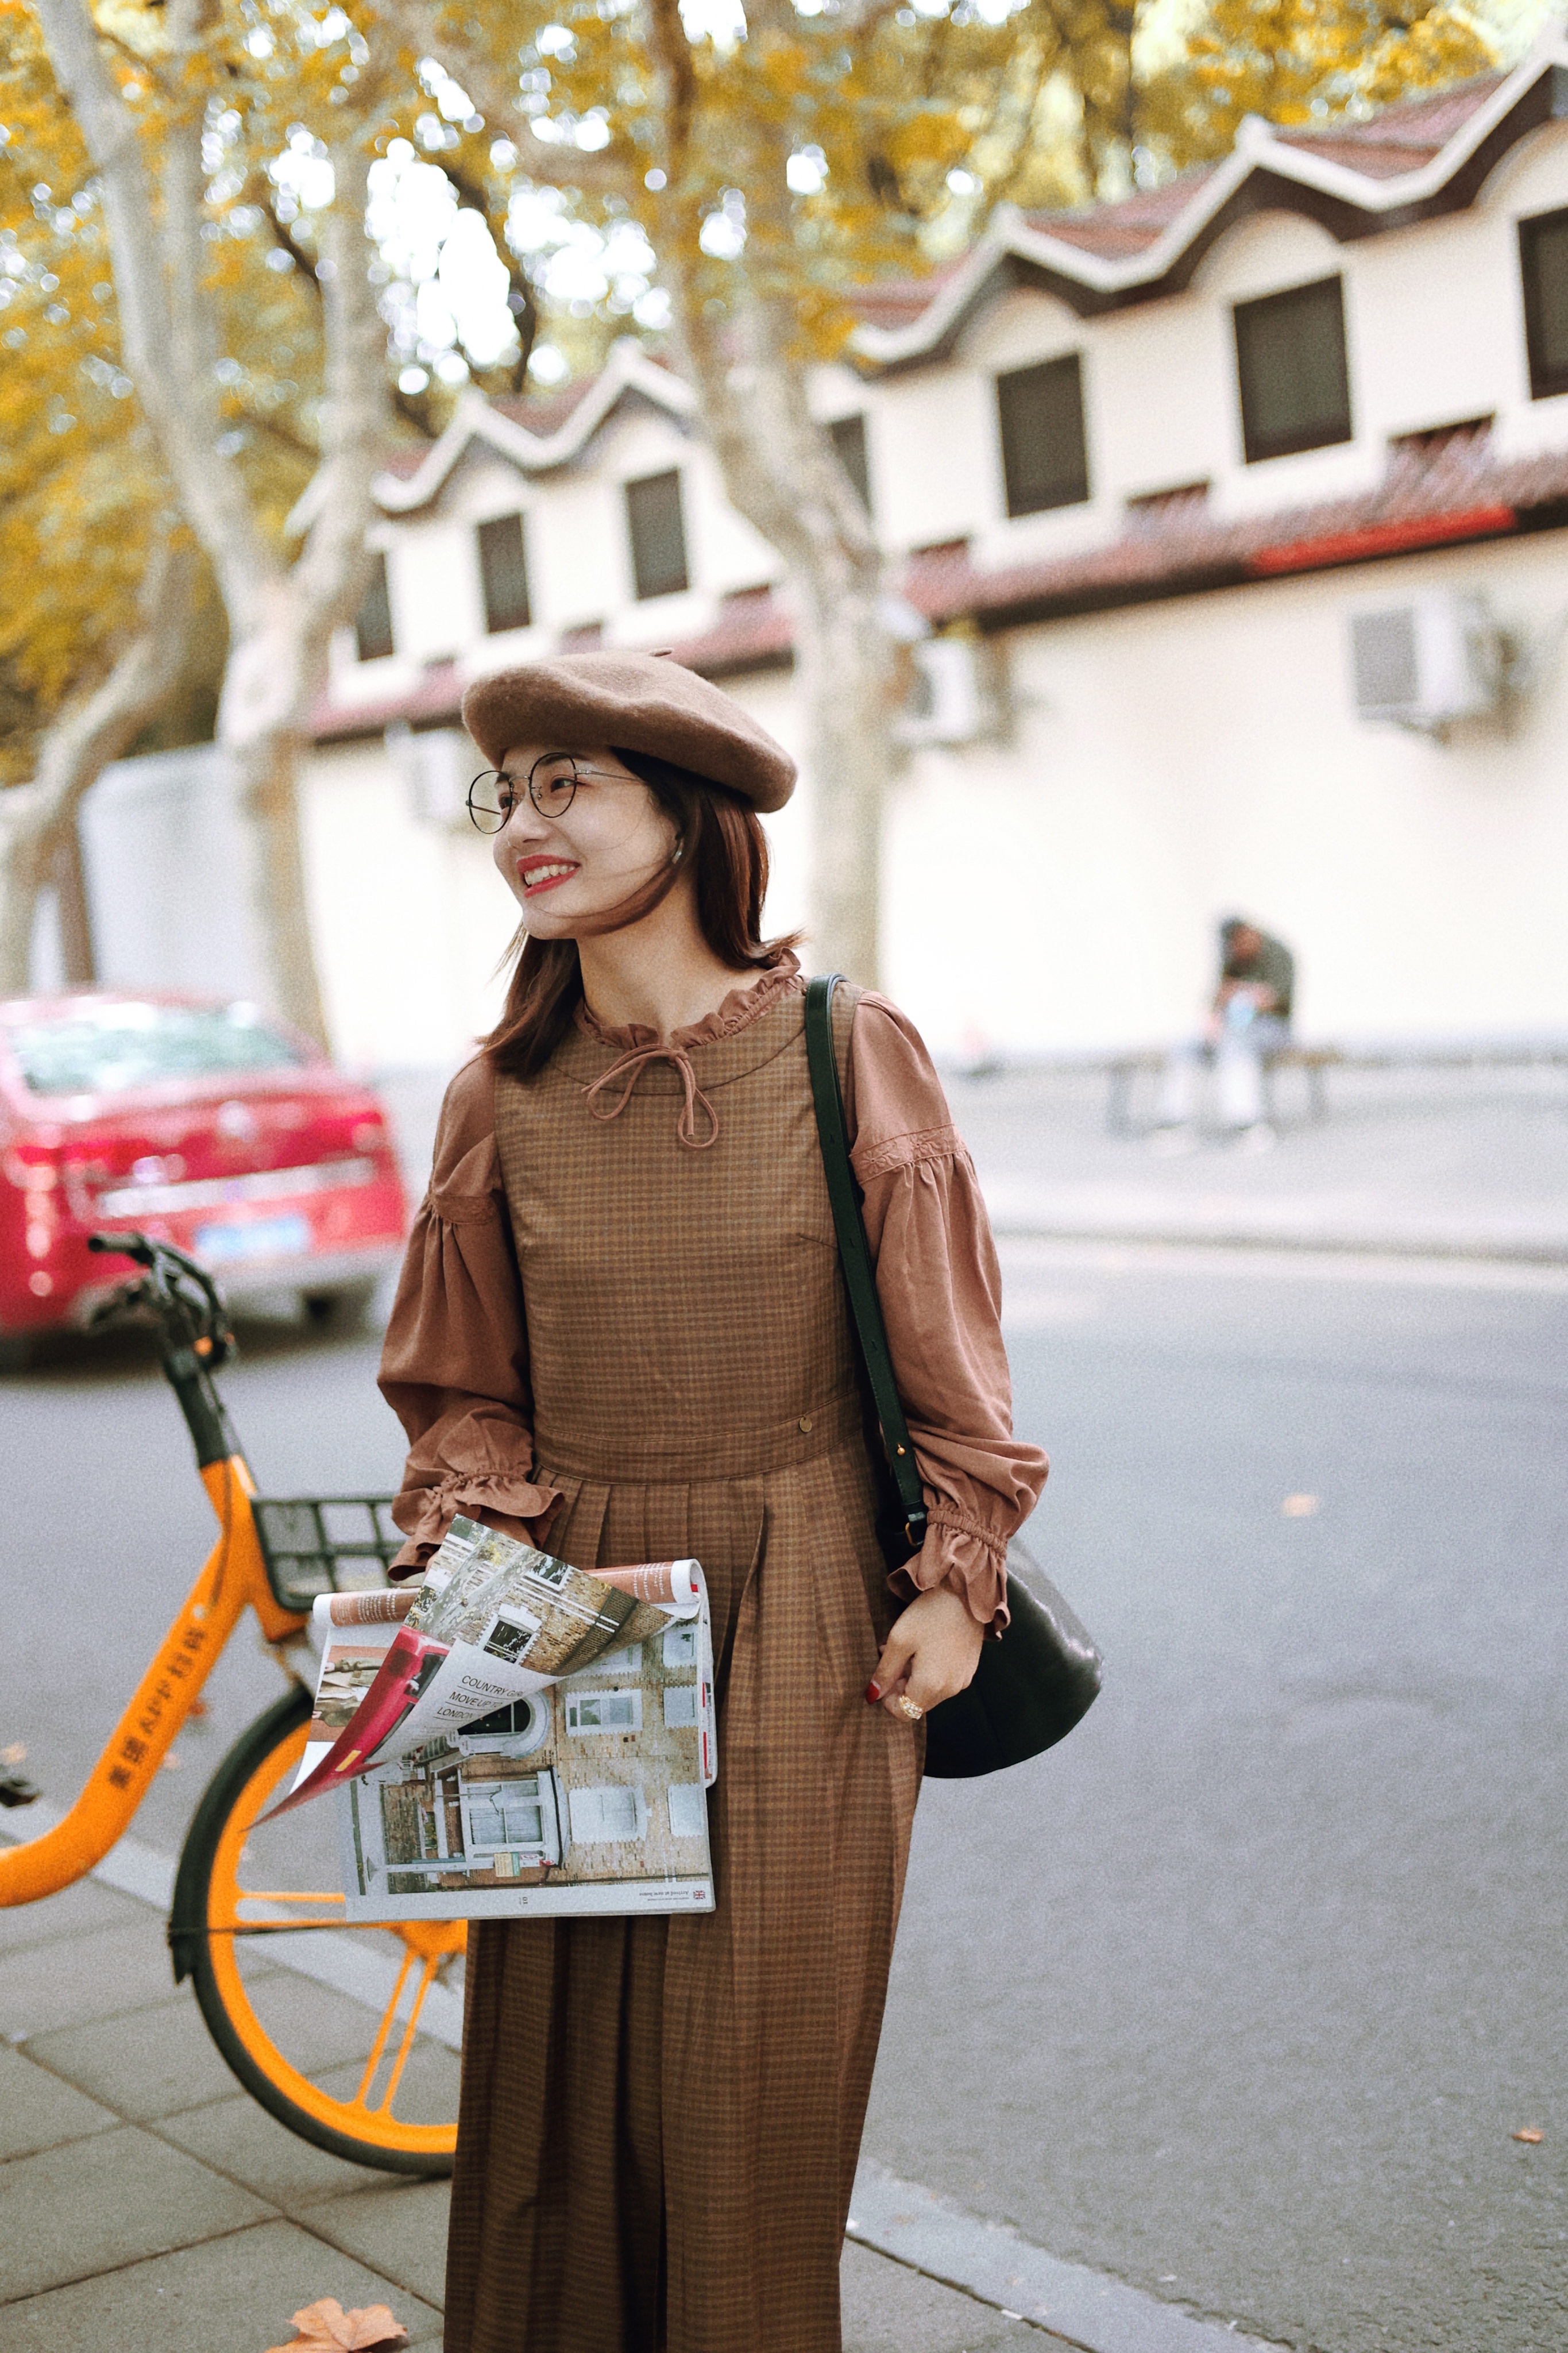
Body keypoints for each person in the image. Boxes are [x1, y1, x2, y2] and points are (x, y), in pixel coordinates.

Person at [377, 650, 1049, 2353]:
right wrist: (466, 1558)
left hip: (811, 1608)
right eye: (504, 793)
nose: (523, 825)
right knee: (554, 2096)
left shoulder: (845, 1048)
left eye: (565, 785)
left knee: (750, 2102)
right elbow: (464, 1388)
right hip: (564, 1612)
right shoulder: (495, 1099)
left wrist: (952, 1584)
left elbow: (955, 1365)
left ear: (692, 814)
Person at [1153, 915, 1296, 1152]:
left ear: (1249, 933)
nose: (1237, 950)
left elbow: (1274, 1000)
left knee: (1236, 1046)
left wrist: (1247, 994)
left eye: (1240, 943)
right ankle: (1172, 1123)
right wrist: (1214, 1020)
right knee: (1187, 1048)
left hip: (1272, 1028)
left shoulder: (1278, 953)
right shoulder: (1232, 956)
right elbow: (1217, 999)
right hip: (1232, 1029)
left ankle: (1246, 1124)